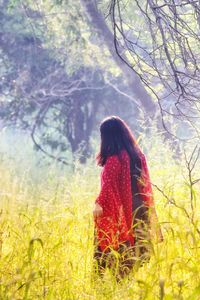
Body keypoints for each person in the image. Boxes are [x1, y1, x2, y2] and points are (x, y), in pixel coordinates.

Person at [93, 116, 163, 278]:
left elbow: (108, 185)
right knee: (135, 256)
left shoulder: (114, 159)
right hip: (140, 210)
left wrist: (98, 203)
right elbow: (144, 183)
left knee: (111, 253)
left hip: (121, 212)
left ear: (107, 137)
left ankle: (115, 289)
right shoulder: (138, 156)